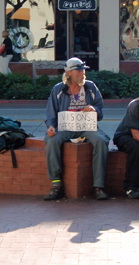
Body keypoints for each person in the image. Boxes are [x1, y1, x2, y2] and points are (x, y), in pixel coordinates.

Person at [44, 57, 110, 201]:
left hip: (86, 126)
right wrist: (50, 127)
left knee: (100, 141)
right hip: (65, 127)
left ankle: (98, 186)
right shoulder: (58, 89)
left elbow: (101, 111)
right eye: (79, 71)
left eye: (83, 70)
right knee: (51, 141)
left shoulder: (90, 87)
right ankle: (56, 184)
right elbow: (50, 114)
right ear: (69, 73)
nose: (82, 73)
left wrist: (94, 109)